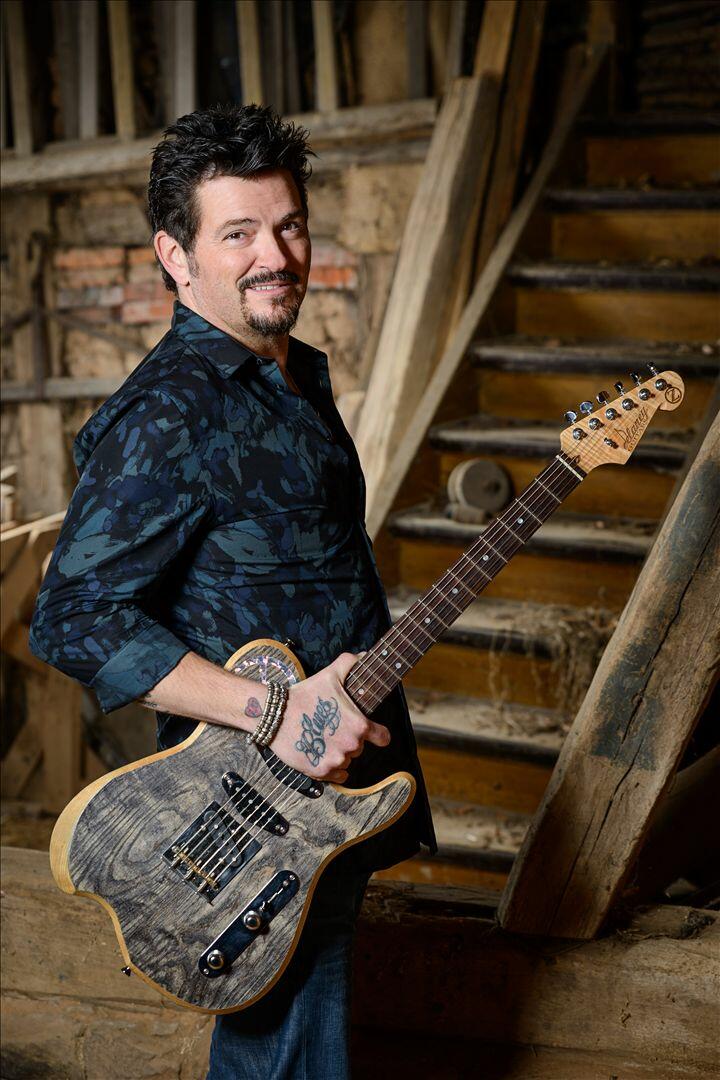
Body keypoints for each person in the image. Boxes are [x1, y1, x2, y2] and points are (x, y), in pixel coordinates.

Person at [29, 104, 436, 1078]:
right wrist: (275, 712)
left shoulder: (293, 375)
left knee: (302, 1038)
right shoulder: (167, 413)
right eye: (239, 234)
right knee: (285, 1049)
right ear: (176, 257)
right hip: (249, 802)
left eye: (289, 226)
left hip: (330, 781)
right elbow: (72, 618)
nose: (276, 256)